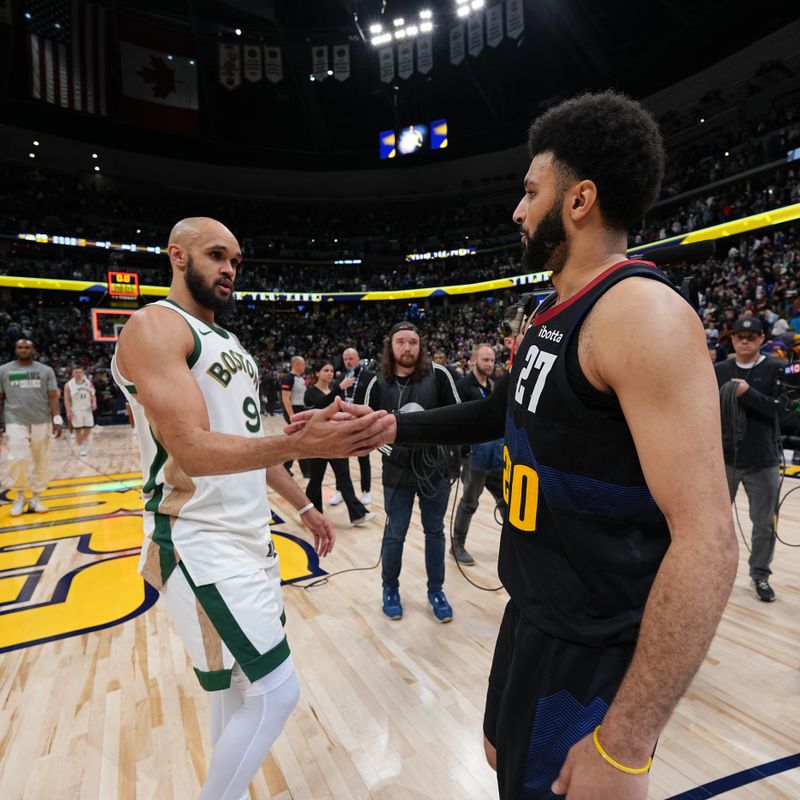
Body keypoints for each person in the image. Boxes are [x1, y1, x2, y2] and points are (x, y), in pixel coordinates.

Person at [350, 92, 737, 799]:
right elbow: (504, 408)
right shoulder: (549, 310)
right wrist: (393, 425)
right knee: (501, 759)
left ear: (580, 199)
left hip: (591, 643)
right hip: (531, 611)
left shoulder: (642, 316)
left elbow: (709, 540)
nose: (517, 210)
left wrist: (626, 737)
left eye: (531, 191)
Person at [111, 217, 392, 800]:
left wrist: (306, 507)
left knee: (234, 690)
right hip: (196, 537)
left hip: (250, 537)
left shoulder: (233, 345)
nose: (230, 269)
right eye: (216, 255)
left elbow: (248, 444)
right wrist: (299, 444)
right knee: (277, 691)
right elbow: (189, 447)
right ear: (177, 256)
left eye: (235, 259)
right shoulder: (154, 326)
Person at [363, 321, 461, 623]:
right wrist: (395, 450)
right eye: (401, 342)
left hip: (435, 472)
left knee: (435, 532)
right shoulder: (377, 382)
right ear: (390, 347)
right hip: (397, 473)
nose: (408, 348)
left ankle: (436, 591)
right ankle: (390, 589)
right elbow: (365, 430)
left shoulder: (440, 375)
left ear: (421, 346)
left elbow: (459, 417)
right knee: (395, 533)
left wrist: (448, 456)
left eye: (413, 342)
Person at [715, 316, 783, 602]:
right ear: (732, 339)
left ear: (761, 340)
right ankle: (712, 573)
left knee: (765, 523)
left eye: (751, 336)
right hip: (723, 460)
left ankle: (760, 575)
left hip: (763, 460)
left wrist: (747, 393)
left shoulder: (775, 369)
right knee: (713, 522)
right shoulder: (718, 370)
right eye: (739, 335)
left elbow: (785, 410)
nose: (744, 340)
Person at [451, 343, 505, 565]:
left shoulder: (493, 385)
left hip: (496, 455)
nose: (490, 364)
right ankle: (457, 545)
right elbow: (458, 421)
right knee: (469, 502)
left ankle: (517, 539)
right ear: (474, 360)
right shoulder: (463, 387)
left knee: (506, 499)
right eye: (485, 360)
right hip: (475, 457)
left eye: (492, 360)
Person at [303, 360, 373, 526]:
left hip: (336, 439)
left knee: (344, 477)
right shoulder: (311, 392)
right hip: (318, 442)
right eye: (325, 370)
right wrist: (339, 389)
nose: (329, 373)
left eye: (331, 370)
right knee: (315, 480)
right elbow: (320, 406)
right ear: (316, 373)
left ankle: (358, 514)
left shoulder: (336, 390)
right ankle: (312, 514)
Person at [0, 338, 62, 516]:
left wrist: (57, 418)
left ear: (33, 350)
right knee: (18, 458)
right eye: (20, 347)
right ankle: (19, 496)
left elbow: (52, 397)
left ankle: (36, 497)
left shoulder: (45, 370)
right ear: (15, 349)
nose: (23, 350)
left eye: (27, 347)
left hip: (41, 419)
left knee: (42, 460)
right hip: (14, 420)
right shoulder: (4, 370)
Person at [329, 346, 374, 506]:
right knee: (341, 458)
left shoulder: (369, 376)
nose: (348, 361)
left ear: (357, 359)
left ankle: (366, 492)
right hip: (342, 421)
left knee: (363, 456)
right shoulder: (339, 378)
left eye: (351, 358)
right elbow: (332, 395)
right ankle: (340, 491)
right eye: (345, 359)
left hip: (362, 421)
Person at [281, 356, 310, 478]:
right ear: (297, 364)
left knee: (297, 440)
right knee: (300, 439)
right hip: (292, 410)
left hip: (301, 409)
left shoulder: (301, 378)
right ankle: (306, 471)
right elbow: (285, 398)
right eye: (303, 364)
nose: (305, 366)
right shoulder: (288, 378)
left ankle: (286, 466)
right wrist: (291, 416)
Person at [64, 366, 96, 457]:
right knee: (78, 430)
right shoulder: (68, 385)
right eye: (75, 372)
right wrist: (68, 411)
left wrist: (94, 403)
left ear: (82, 373)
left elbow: (93, 394)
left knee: (88, 428)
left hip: (87, 409)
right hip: (76, 409)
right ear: (72, 374)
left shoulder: (88, 382)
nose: (78, 374)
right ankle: (82, 446)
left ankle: (81, 442)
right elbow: (66, 399)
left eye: (79, 372)